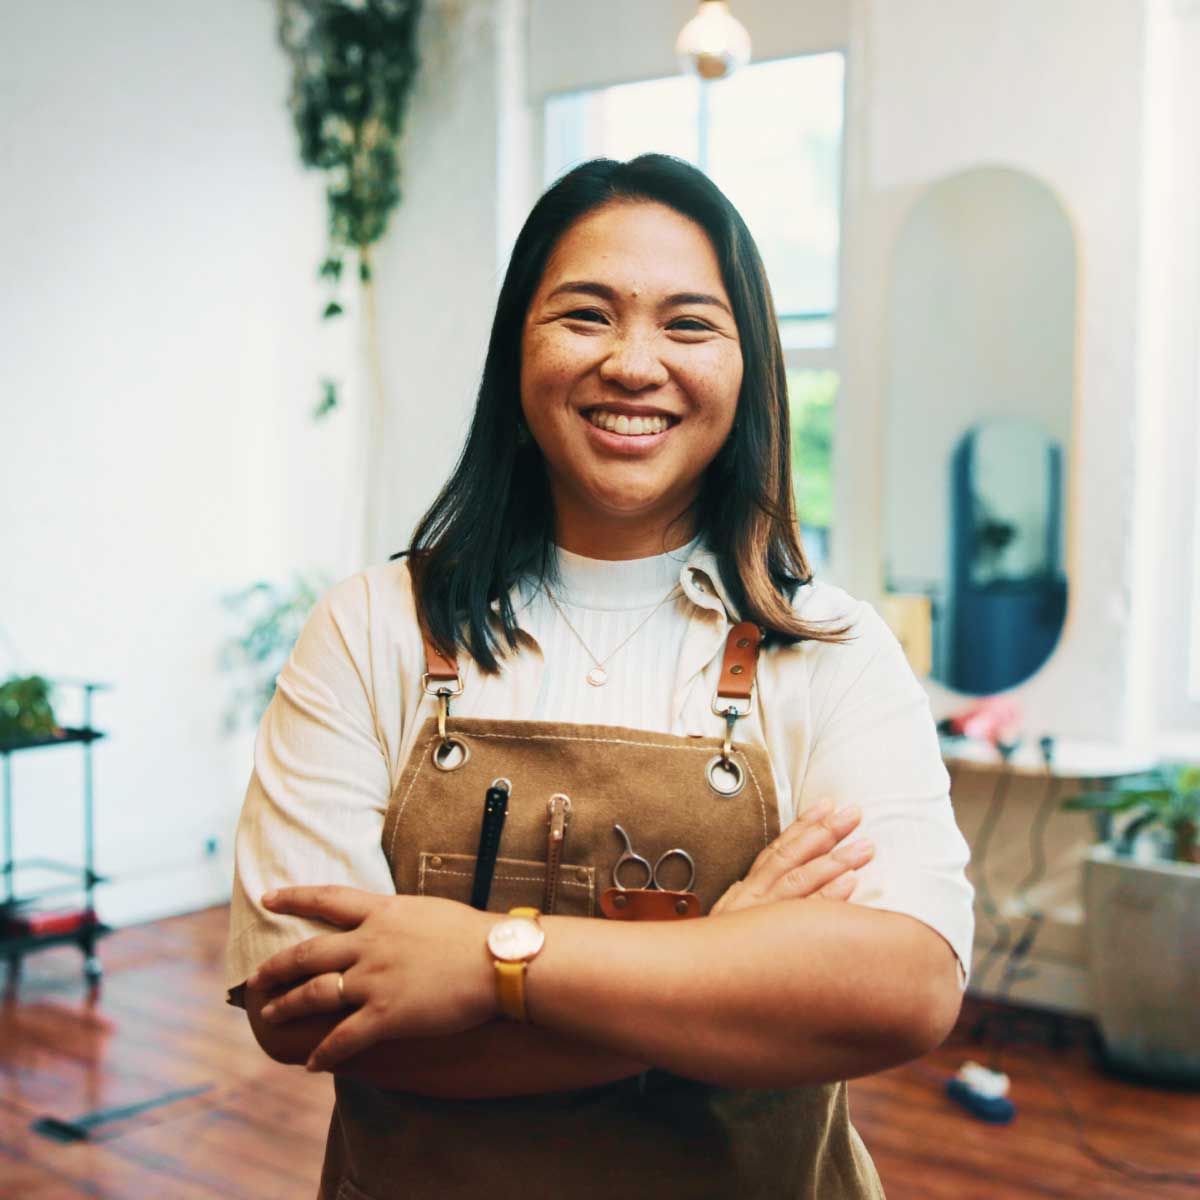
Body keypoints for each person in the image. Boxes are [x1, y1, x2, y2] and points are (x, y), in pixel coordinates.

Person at [225, 154, 974, 1200]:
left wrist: (491, 961)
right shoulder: (370, 629)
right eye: (585, 315)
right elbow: (308, 1010)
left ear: (750, 364)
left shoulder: (830, 648)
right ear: (515, 350)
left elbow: (902, 990)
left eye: (688, 324)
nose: (633, 362)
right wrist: (724, 971)